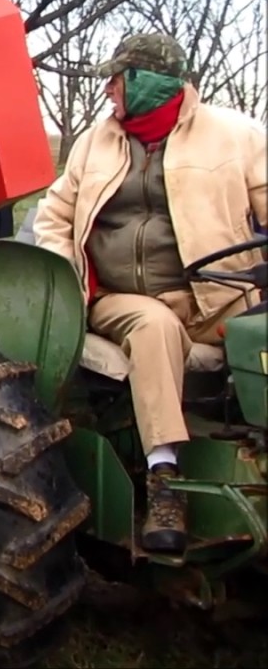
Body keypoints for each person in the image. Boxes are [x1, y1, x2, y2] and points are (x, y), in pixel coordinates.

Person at [32, 33, 267, 554]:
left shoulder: (235, 136)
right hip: (122, 299)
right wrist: (68, 277)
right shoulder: (96, 142)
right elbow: (54, 216)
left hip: (214, 297)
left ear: (149, 82)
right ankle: (165, 480)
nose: (108, 90)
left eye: (117, 80)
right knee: (154, 326)